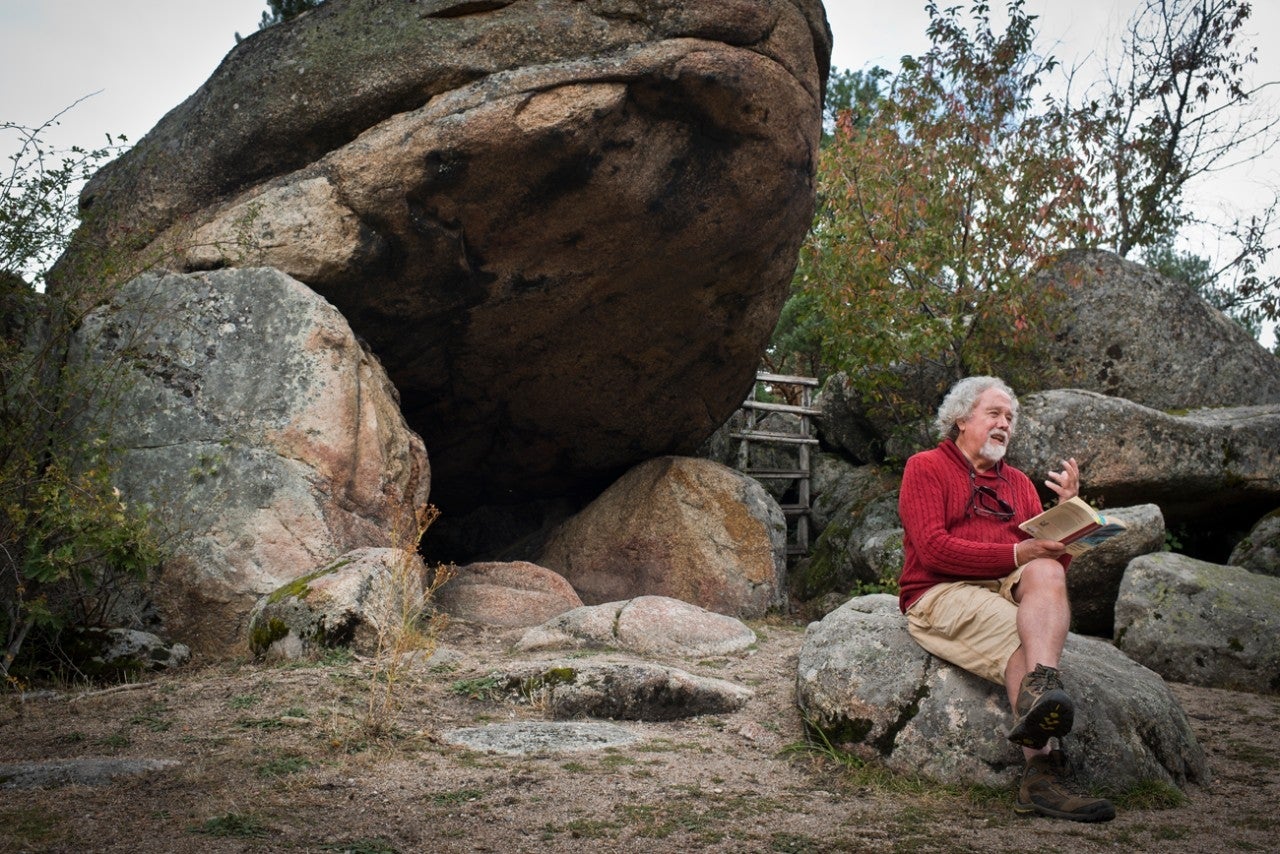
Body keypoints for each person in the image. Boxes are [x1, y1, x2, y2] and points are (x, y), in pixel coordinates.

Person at [897, 375, 1115, 823]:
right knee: (1024, 639)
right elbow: (934, 550)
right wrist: (1019, 551)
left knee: (1048, 569)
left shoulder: (1018, 484)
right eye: (993, 414)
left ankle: (1041, 690)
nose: (1004, 425)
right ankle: (1041, 775)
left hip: (1002, 583)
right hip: (938, 591)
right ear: (960, 419)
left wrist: (1069, 521)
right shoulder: (925, 467)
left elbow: (1048, 565)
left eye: (1009, 418)